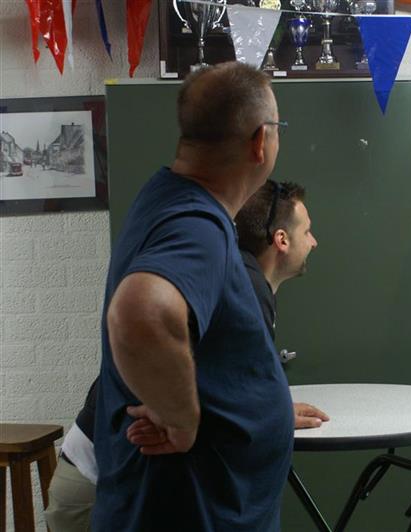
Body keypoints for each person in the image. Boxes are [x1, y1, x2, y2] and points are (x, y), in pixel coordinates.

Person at [45, 180, 328, 530]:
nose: (314, 242)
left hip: (103, 476)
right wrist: (182, 416)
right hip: (97, 483)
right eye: (307, 231)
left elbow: (215, 383)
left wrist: (268, 407)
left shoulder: (248, 281)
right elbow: (150, 331)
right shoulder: (244, 284)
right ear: (281, 239)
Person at [89, 61, 291, 531]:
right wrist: (181, 421)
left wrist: (255, 407)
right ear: (260, 141)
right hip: (188, 511)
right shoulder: (197, 224)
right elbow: (141, 311)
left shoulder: (169, 196)